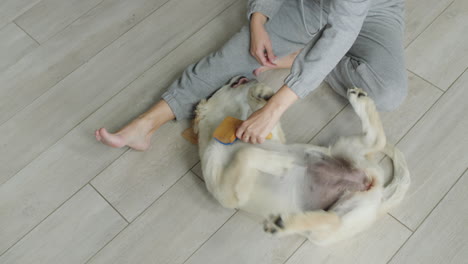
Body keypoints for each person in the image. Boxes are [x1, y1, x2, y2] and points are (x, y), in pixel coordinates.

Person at [95, 0, 407, 150]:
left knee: (388, 92)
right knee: (236, 55)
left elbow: (344, 28)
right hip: (308, 5)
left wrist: (275, 106)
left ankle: (306, 58)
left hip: (373, 10)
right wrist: (258, 20)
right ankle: (145, 125)